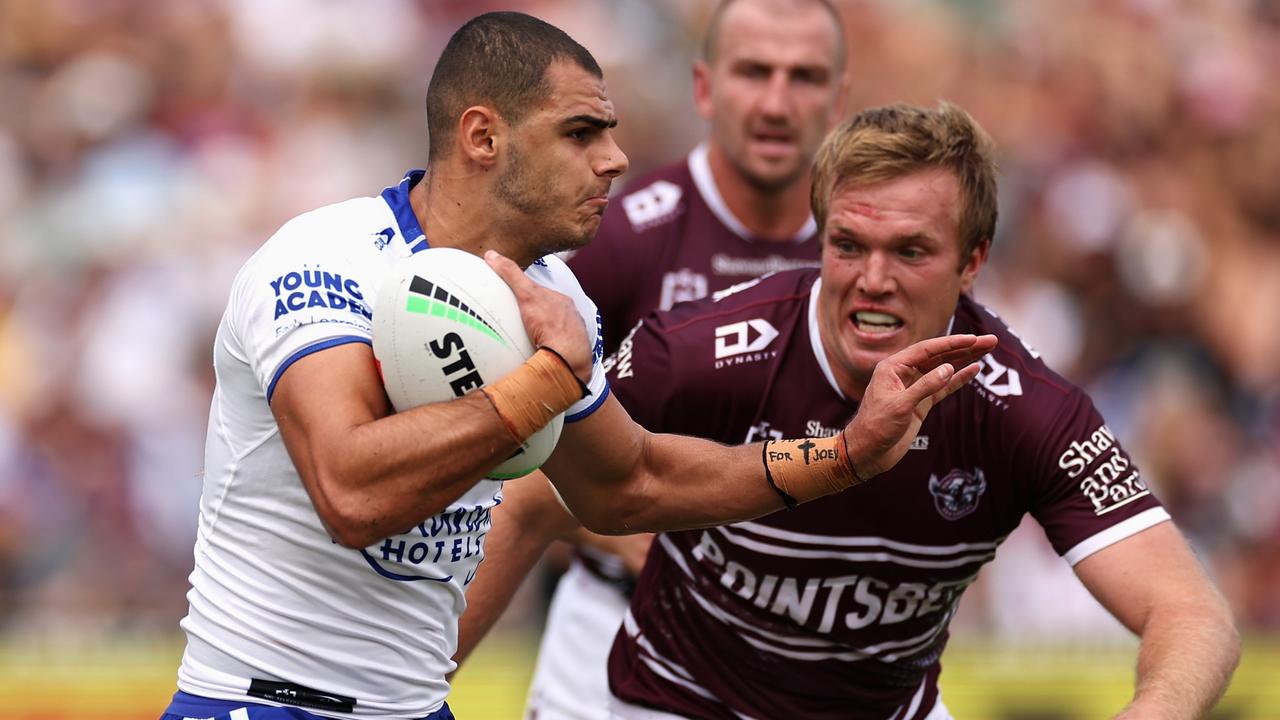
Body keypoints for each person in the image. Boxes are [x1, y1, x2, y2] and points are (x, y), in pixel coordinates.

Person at [160, 12, 994, 720]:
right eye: (581, 132)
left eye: (613, 133)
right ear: (482, 136)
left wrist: (844, 455)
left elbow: (630, 482)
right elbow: (351, 492)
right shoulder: (325, 260)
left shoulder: (553, 297)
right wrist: (545, 383)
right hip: (260, 701)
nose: (615, 159)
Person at [463, 102, 1242, 720]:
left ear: (973, 261)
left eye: (910, 251)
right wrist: (415, 692)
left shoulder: (1026, 410)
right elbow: (538, 492)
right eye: (847, 245)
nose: (872, 280)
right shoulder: (698, 352)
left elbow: (1193, 613)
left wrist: (1156, 709)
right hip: (679, 701)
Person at [455, 1, 850, 716]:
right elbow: (516, 450)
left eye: (804, 77)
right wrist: (605, 518)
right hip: (619, 628)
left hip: (805, 642)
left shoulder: (865, 250)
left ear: (840, 98)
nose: (776, 101)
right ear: (704, 87)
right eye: (754, 71)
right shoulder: (625, 236)